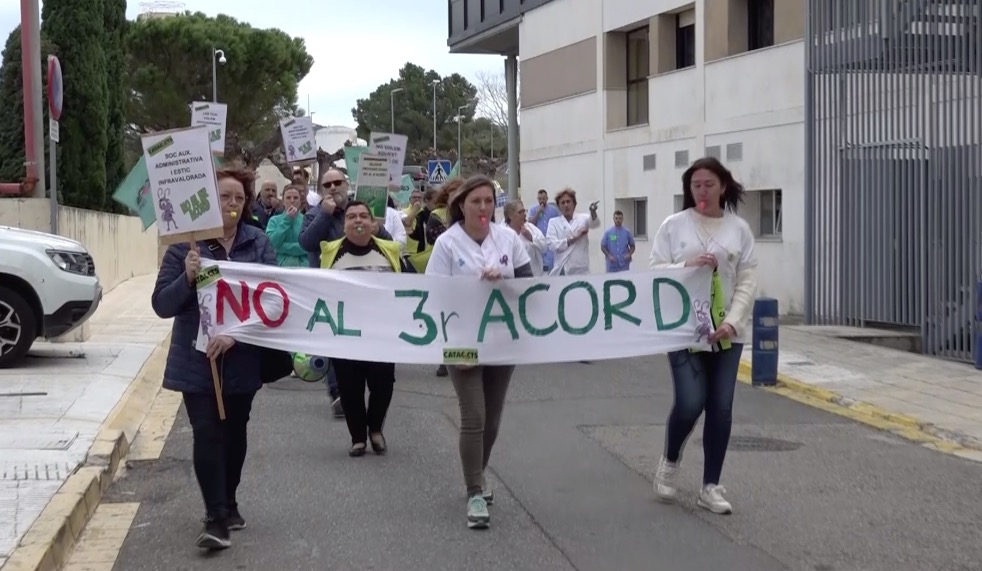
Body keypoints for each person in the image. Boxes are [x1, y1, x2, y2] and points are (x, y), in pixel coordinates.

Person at [151, 164, 277, 550]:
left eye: (240, 197)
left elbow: (273, 299)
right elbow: (161, 305)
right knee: (206, 432)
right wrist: (187, 278)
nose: (233, 203)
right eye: (225, 196)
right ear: (208, 200)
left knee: (234, 434)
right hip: (196, 359)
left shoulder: (258, 242)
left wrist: (235, 336)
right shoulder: (184, 247)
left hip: (240, 358)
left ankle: (230, 498)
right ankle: (216, 516)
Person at [649, 156, 758, 515]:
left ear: (723, 186)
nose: (702, 190)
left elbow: (746, 280)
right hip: (685, 330)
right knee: (691, 401)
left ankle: (711, 485)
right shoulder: (674, 225)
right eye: (695, 184)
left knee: (721, 407)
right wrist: (685, 267)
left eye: (709, 184)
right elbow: (654, 271)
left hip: (727, 334)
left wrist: (734, 321)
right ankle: (669, 459)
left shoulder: (738, 229)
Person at [426, 175, 534, 530]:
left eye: (489, 201)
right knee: (473, 414)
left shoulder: (508, 239)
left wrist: (504, 283)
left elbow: (530, 285)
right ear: (462, 206)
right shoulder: (447, 243)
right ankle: (474, 490)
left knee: (493, 416)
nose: (484, 208)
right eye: (477, 202)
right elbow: (432, 292)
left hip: (503, 338)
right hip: (463, 339)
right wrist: (468, 287)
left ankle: (480, 472)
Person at [320, 201, 406, 456]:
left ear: (373, 223)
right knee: (349, 388)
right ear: (344, 224)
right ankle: (358, 437)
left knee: (383, 385)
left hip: (381, 333)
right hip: (345, 334)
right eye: (351, 217)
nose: (357, 221)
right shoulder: (330, 252)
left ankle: (376, 429)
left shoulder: (389, 250)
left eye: (363, 216)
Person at [545, 187, 600, 276]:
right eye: (563, 203)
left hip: (581, 268)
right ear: (558, 206)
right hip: (562, 267)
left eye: (568, 201)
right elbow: (552, 245)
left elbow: (595, 224)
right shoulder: (553, 222)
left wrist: (593, 212)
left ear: (574, 204)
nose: (566, 205)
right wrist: (573, 239)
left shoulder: (583, 218)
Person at [503, 199, 549, 276]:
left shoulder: (531, 228)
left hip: (535, 276)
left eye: (524, 211)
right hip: (512, 279)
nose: (524, 214)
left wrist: (531, 237)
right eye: (520, 212)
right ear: (510, 216)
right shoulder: (502, 233)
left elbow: (544, 248)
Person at [265, 184, 307, 267]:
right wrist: (287, 220)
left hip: (303, 269)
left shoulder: (306, 220)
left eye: (295, 198)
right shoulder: (274, 221)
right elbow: (272, 244)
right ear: (283, 201)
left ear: (300, 201)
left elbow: (307, 247)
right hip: (279, 268)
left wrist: (281, 248)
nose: (292, 201)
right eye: (288, 198)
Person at [527, 189, 560, 272]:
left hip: (550, 242)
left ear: (547, 199)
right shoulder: (533, 210)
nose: (542, 201)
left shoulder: (553, 210)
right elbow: (530, 223)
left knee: (551, 266)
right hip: (538, 242)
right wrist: (538, 213)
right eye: (540, 199)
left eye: (543, 199)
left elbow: (559, 222)